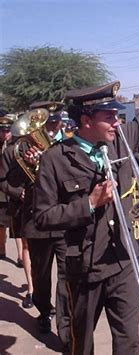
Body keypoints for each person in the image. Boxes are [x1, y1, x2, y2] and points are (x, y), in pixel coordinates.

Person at [33, 27, 139, 354]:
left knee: (128, 341)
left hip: (123, 259)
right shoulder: (55, 159)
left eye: (117, 114)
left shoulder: (122, 140)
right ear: (86, 119)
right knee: (79, 342)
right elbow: (42, 217)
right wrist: (87, 203)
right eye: (109, 115)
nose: (117, 121)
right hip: (83, 266)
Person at [7, 101, 70, 345]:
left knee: (67, 276)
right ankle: (45, 311)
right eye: (49, 121)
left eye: (56, 121)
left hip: (64, 219)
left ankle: (66, 328)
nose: (53, 125)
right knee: (41, 275)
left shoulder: (68, 144)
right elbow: (9, 179)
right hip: (37, 221)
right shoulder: (20, 148)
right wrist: (27, 168)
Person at [0, 117, 35, 309]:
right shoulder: (10, 151)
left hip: (46, 203)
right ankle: (31, 290)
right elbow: (2, 181)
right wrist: (16, 192)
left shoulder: (50, 148)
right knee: (27, 246)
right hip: (22, 206)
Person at [0, 111, 13, 259]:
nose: (5, 133)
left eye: (7, 130)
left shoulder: (15, 145)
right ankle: (2, 249)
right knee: (1, 222)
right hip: (2, 190)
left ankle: (22, 257)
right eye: (2, 130)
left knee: (16, 226)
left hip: (12, 188)